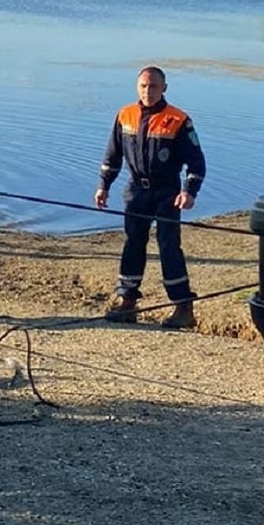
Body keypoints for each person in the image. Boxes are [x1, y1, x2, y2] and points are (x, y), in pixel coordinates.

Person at [94, 66, 206, 329]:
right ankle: (127, 301)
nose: (148, 91)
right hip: (135, 190)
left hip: (167, 191)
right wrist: (104, 186)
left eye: (153, 86)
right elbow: (112, 156)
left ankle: (182, 307)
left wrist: (189, 192)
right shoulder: (125, 115)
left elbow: (197, 163)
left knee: (168, 247)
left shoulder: (179, 120)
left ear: (164, 88)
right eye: (143, 86)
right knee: (132, 243)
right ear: (137, 87)